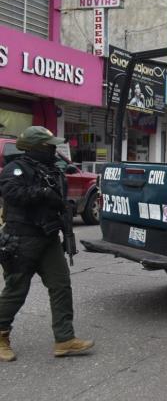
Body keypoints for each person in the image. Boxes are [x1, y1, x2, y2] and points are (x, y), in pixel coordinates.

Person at [0, 126, 94, 361]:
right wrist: (42, 193)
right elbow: (12, 193)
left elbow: (56, 198)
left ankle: (65, 339)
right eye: (50, 146)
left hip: (48, 238)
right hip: (22, 239)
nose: (54, 149)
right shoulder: (16, 169)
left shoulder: (51, 169)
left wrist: (63, 207)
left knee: (61, 285)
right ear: (38, 147)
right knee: (16, 291)